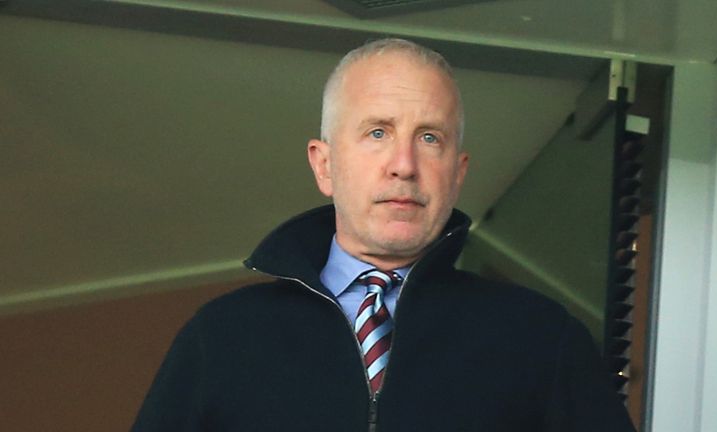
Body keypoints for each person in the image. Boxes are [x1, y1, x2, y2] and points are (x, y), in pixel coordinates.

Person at [132, 38, 636, 432]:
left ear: (457, 173)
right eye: (378, 133)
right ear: (324, 164)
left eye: (429, 138)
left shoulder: (541, 339)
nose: (404, 166)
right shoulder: (223, 337)